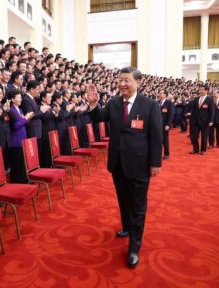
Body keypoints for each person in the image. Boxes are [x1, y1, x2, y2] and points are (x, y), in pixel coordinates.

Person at [88, 67, 162, 268]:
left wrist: (156, 163)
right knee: (123, 200)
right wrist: (94, 104)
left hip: (140, 165)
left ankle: (134, 248)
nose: (122, 84)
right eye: (120, 80)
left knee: (138, 206)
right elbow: (99, 117)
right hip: (117, 163)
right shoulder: (114, 103)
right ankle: (127, 228)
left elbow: (156, 136)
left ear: (138, 82)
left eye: (126, 80)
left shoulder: (150, 105)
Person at [8, 89, 34, 183]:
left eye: (20, 97)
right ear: (12, 99)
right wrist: (25, 118)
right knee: (16, 165)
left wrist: (26, 118)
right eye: (18, 97)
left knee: (22, 164)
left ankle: (22, 181)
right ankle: (15, 184)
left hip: (23, 139)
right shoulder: (11, 110)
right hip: (15, 141)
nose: (20, 99)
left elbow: (23, 122)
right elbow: (15, 126)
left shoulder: (20, 109)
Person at [189, 84, 215, 155]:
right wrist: (190, 116)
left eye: (202, 89)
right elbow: (193, 109)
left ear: (206, 90)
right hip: (195, 121)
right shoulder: (197, 99)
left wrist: (211, 121)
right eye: (200, 89)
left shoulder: (210, 99)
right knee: (194, 136)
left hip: (205, 121)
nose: (200, 90)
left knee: (204, 136)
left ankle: (203, 150)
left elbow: (212, 111)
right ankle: (195, 149)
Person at [158, 89, 174, 160]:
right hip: (157, 125)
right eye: (159, 93)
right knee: (157, 140)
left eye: (161, 93)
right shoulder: (156, 102)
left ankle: (166, 153)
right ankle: (158, 154)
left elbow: (170, 115)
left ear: (165, 95)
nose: (159, 94)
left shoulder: (169, 103)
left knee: (165, 140)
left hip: (165, 125)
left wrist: (168, 124)